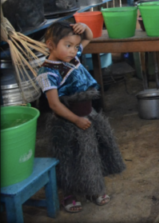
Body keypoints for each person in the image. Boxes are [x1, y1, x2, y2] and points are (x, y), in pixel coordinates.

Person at [37, 21, 126, 213]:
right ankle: (69, 194)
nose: (73, 50)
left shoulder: (73, 57)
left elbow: (88, 37)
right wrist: (75, 120)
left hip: (88, 115)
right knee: (69, 159)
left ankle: (94, 190)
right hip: (66, 121)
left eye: (75, 46)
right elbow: (54, 104)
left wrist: (83, 26)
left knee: (92, 154)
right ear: (50, 45)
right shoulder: (47, 72)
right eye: (67, 45)